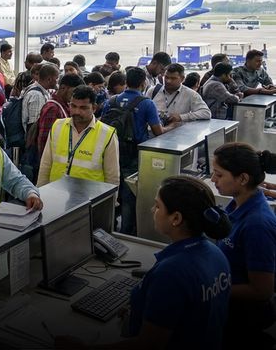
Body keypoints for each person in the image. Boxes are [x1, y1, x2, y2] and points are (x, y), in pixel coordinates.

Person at [57, 176, 232, 349]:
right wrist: (141, 310)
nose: (151, 210)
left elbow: (148, 345)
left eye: (157, 206)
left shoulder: (171, 273)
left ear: (176, 218)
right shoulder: (216, 254)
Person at [210, 143, 276, 347]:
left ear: (243, 179)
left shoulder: (257, 224)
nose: (213, 179)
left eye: (219, 175)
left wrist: (208, 288)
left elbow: (262, 290)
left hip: (242, 321)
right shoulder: (237, 203)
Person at [101, 67, 164, 235]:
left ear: (126, 82)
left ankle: (108, 228)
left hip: (111, 152)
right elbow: (158, 131)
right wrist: (171, 126)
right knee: (129, 196)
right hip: (134, 155)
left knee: (110, 191)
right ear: (143, 83)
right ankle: (127, 233)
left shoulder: (111, 101)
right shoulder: (146, 103)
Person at [37, 85, 120, 187]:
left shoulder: (107, 134)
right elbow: (46, 164)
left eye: (83, 108)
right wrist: (40, 192)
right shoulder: (58, 126)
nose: (77, 112)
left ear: (94, 108)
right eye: (73, 106)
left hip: (90, 198)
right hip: (56, 193)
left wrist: (109, 202)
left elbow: (112, 177)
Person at [146, 63, 211, 129]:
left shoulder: (190, 94)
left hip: (177, 135)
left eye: (173, 78)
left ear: (182, 79)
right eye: (166, 77)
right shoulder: (152, 91)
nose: (168, 81)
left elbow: (206, 113)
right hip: (153, 135)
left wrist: (181, 117)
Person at [35, 74, 84, 161]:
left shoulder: (65, 105)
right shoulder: (53, 108)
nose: (75, 97)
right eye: (73, 92)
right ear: (63, 88)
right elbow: (45, 140)